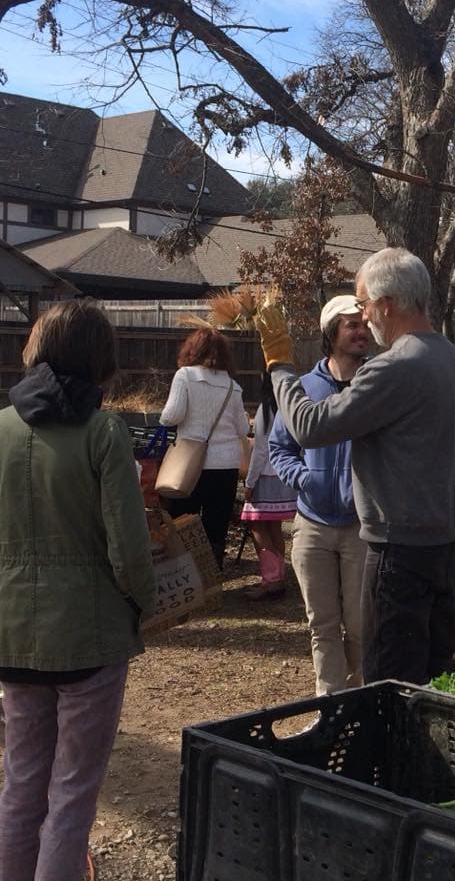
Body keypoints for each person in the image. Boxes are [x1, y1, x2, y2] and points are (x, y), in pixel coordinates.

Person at [255, 249, 455, 685]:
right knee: (434, 677)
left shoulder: (395, 367)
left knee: (388, 683)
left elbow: (307, 425)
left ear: (386, 304)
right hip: (450, 546)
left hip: (400, 552)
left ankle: (388, 754)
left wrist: (279, 363)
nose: (363, 315)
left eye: (363, 304)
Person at [0, 300, 156, 880]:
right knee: (71, 794)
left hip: (12, 637)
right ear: (101, 359)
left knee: (20, 782)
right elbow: (129, 550)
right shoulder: (104, 432)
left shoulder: (0, 428)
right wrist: (141, 606)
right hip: (90, 638)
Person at [269, 295, 370, 694]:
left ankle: (359, 699)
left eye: (363, 325)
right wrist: (305, 479)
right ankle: (329, 702)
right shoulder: (304, 388)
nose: (362, 331)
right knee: (322, 623)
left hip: (362, 526)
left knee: (362, 624)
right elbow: (280, 447)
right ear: (331, 333)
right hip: (312, 525)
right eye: (352, 325)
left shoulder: (375, 384)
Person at [160, 327, 250, 564]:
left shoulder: (185, 376)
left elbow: (171, 416)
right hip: (226, 465)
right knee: (216, 526)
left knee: (183, 522)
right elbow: (243, 429)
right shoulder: (233, 386)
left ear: (192, 349)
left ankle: (185, 576)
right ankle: (213, 579)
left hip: (189, 463)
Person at [239, 373, 297, 600]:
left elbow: (261, 449)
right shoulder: (290, 407)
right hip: (285, 474)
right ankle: (278, 578)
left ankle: (271, 580)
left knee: (257, 526)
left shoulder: (266, 409)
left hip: (265, 475)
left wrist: (250, 482)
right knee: (274, 528)